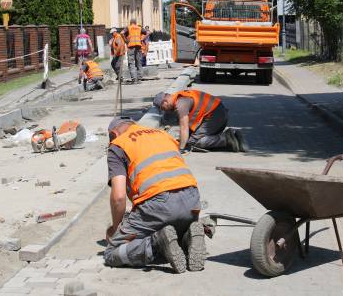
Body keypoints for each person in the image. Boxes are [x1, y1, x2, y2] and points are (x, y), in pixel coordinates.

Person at [103, 117, 206, 273]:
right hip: (192, 199)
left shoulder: (118, 145)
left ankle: (156, 242)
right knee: (171, 229)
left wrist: (116, 229)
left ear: (113, 134)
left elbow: (118, 197)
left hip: (157, 203)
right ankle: (189, 235)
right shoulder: (163, 134)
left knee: (111, 253)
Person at [153, 90, 247, 152]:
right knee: (189, 139)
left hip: (216, 116)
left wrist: (181, 148)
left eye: (163, 108)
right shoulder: (180, 96)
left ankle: (226, 138)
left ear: (165, 102)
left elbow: (184, 127)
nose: (165, 111)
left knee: (195, 142)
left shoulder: (181, 104)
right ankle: (233, 136)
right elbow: (190, 126)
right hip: (218, 114)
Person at [122, 18, 147, 84]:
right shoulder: (139, 28)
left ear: (130, 22)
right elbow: (146, 32)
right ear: (135, 22)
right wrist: (142, 39)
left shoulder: (128, 28)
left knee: (131, 63)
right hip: (138, 46)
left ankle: (134, 79)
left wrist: (126, 41)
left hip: (131, 46)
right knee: (139, 62)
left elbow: (122, 33)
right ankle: (139, 79)